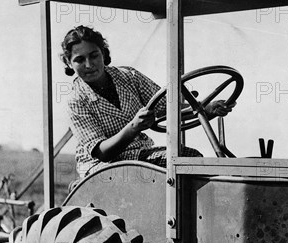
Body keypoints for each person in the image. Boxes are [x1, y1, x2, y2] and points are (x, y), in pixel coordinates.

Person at [61, 25, 234, 177]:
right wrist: (134, 127)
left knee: (188, 158)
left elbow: (170, 109)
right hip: (101, 167)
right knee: (186, 159)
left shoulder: (128, 77)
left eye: (94, 56)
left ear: (103, 54)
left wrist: (207, 108)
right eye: (79, 60)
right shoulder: (76, 100)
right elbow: (101, 152)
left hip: (138, 153)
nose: (89, 64)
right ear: (69, 63)